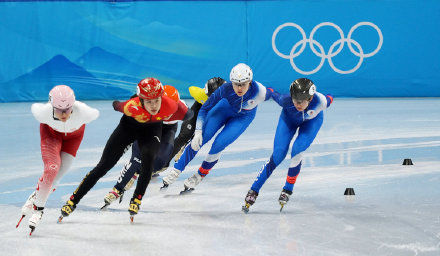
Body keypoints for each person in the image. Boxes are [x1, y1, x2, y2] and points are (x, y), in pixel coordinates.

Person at [58, 78, 192, 222]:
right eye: (148, 101)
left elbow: (189, 115)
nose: (153, 105)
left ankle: (136, 199)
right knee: (103, 166)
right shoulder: (131, 106)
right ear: (140, 100)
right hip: (128, 128)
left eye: (156, 101)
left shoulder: (172, 106)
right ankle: (73, 200)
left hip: (152, 129)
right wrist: (117, 104)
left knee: (149, 161)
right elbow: (116, 105)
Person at [104, 78, 226, 205]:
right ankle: (120, 186)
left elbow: (191, 125)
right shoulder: (151, 106)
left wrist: (188, 140)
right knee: (138, 157)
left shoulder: (183, 109)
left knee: (163, 162)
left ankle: (141, 171)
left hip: (170, 128)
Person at [162, 63, 272, 193]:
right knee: (200, 139)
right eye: (236, 84)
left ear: (250, 82)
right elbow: (204, 109)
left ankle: (199, 175)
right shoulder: (225, 89)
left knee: (219, 144)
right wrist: (197, 131)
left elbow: (279, 98)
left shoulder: (260, 91)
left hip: (243, 118)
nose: (239, 88)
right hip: (224, 110)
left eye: (243, 84)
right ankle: (176, 170)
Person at [242, 78, 334, 213]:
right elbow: (272, 92)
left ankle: (288, 188)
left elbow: (331, 97)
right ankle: (254, 190)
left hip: (311, 123)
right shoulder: (285, 100)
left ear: (310, 98)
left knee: (297, 150)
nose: (298, 104)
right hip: (288, 120)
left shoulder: (321, 102)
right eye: (295, 100)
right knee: (278, 154)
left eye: (302, 101)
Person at [16, 85, 99, 234]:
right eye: (59, 109)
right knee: (52, 168)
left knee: (57, 177)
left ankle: (35, 196)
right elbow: (34, 107)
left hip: (73, 139)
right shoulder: (43, 112)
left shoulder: (84, 111)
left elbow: (96, 113)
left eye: (67, 109)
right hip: (51, 135)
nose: (64, 114)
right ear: (52, 106)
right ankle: (39, 210)